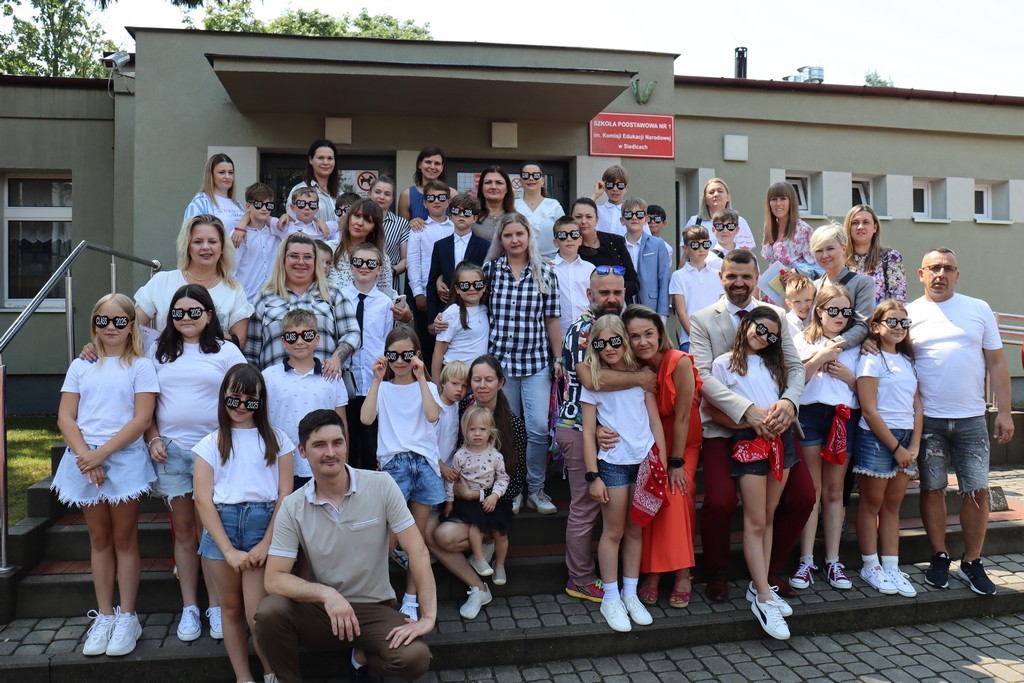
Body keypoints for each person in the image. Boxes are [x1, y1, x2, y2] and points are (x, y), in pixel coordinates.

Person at [256, 409, 434, 682]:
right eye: (319, 445)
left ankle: (364, 658)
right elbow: (274, 579)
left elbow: (417, 551)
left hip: (375, 608)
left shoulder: (381, 484)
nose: (330, 452)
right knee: (269, 613)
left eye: (337, 442)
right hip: (323, 613)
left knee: (415, 658)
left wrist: (428, 617)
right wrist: (326, 594)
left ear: (346, 445)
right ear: (302, 451)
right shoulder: (292, 506)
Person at [688, 249, 813, 603]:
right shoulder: (702, 319)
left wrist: (788, 402)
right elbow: (702, 375)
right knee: (720, 501)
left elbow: (794, 367)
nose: (739, 283)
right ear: (721, 277)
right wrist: (746, 412)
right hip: (724, 427)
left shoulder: (776, 315)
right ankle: (718, 571)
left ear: (757, 279)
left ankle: (769, 570)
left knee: (804, 496)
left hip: (775, 427)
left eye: (746, 277)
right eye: (732, 276)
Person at [53, 294, 158, 657]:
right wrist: (87, 456)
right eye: (103, 320)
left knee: (124, 537)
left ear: (131, 326)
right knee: (98, 538)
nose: (110, 327)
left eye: (119, 321)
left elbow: (142, 419)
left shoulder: (141, 366)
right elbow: (66, 416)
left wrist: (102, 454)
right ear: (94, 324)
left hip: (124, 458)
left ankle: (127, 615)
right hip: (85, 459)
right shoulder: (81, 365)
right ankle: (105, 615)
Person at [907, 248, 1014, 596]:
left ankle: (972, 561)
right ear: (921, 274)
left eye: (948, 268)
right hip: (929, 421)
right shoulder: (909, 313)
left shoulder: (978, 309)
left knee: (977, 490)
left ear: (957, 275)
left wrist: (1004, 412)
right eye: (934, 268)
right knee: (932, 489)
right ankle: (939, 556)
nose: (940, 274)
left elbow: (997, 362)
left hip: (971, 418)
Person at [144, 285, 245, 643]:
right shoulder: (157, 351)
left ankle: (215, 606)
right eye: (178, 312)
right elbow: (146, 401)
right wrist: (153, 437)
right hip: (170, 452)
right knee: (185, 531)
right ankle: (190, 606)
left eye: (194, 311)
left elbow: (244, 398)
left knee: (210, 533)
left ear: (209, 314)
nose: (186, 318)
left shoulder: (226, 350)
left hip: (213, 453)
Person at [194, 364, 293, 683]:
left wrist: (267, 542)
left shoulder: (278, 440)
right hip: (221, 528)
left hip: (263, 526)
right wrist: (227, 550)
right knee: (231, 609)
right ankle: (243, 677)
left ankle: (270, 672)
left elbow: (286, 495)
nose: (241, 406)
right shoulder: (210, 443)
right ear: (223, 397)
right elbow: (202, 500)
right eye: (234, 399)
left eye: (250, 400)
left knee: (257, 613)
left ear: (261, 402)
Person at [709, 307, 797, 640]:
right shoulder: (723, 364)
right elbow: (714, 413)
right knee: (755, 520)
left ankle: (761, 587)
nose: (765, 337)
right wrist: (750, 422)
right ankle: (763, 597)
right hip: (750, 444)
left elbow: (790, 397)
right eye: (761, 329)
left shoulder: (776, 364)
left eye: (772, 334)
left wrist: (780, 420)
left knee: (769, 516)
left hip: (782, 442)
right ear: (747, 324)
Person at [557, 267, 644, 603]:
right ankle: (580, 578)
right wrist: (642, 379)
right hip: (579, 428)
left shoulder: (624, 325)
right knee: (585, 508)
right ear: (589, 294)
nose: (611, 299)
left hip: (609, 434)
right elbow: (592, 380)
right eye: (604, 293)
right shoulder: (583, 329)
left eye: (617, 292)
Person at [581, 314, 667, 632]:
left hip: (643, 462)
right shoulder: (594, 381)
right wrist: (593, 476)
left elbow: (655, 421)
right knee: (613, 532)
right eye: (601, 344)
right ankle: (611, 596)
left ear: (624, 341)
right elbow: (587, 432)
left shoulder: (641, 377)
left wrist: (661, 462)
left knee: (635, 531)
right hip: (613, 464)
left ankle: (630, 593)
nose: (609, 348)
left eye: (615, 341)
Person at [426, 355, 526, 619]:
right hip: (456, 496)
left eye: (489, 380)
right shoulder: (461, 409)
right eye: (477, 379)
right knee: (425, 531)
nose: (482, 385)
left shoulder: (512, 424)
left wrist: (478, 494)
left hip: (491, 503)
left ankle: (483, 560)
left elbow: (516, 481)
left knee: (442, 537)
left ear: (501, 383)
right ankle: (479, 582)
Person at [621, 305, 702, 610]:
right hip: (651, 444)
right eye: (634, 336)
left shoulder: (678, 361)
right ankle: (654, 571)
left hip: (683, 445)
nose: (643, 342)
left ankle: (681, 573)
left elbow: (682, 417)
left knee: (674, 492)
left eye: (648, 334)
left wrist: (676, 463)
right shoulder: (630, 369)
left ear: (659, 334)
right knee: (650, 492)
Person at [360, 327, 443, 622]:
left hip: (424, 465)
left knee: (416, 541)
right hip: (394, 466)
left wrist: (420, 377)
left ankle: (410, 599)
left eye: (406, 355)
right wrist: (376, 379)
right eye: (393, 355)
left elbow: (432, 415)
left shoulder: (427, 387)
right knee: (388, 540)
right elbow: (366, 418)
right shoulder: (382, 388)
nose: (399, 361)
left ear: (416, 355)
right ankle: (376, 597)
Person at [481, 213, 562, 514]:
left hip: (536, 362)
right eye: (508, 235)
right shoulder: (490, 271)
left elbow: (552, 320)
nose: (514, 240)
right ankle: (512, 489)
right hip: (501, 364)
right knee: (508, 429)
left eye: (520, 234)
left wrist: (558, 358)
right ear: (500, 240)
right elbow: (477, 312)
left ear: (529, 236)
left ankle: (536, 489)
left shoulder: (546, 272)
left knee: (538, 428)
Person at [790, 284, 861, 592]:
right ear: (819, 311)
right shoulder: (802, 340)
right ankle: (806, 560)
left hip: (842, 417)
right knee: (813, 490)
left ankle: (833, 560)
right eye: (833, 310)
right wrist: (819, 358)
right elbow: (794, 382)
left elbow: (867, 390)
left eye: (846, 311)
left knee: (835, 491)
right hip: (809, 416)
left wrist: (849, 377)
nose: (839, 316)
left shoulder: (857, 345)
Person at [855, 300, 921, 598]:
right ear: (876, 326)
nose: (898, 328)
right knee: (872, 503)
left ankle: (892, 565)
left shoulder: (907, 360)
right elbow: (869, 410)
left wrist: (913, 444)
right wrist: (896, 448)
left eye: (904, 323)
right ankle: (871, 565)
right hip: (877, 438)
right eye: (892, 322)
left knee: (893, 505)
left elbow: (917, 406)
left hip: (906, 440)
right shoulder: (871, 359)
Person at [245, 233, 361, 377]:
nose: (301, 262)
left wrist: (336, 359)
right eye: (294, 256)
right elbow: (251, 352)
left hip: (324, 382)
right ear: (283, 259)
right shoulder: (264, 297)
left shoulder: (333, 293)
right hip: (275, 386)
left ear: (315, 260)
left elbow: (352, 333)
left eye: (307, 257)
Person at [263, 308, 349, 490]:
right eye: (292, 337)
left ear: (317, 339)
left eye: (307, 335)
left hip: (323, 465)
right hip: (280, 467)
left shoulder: (332, 376)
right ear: (283, 341)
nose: (300, 341)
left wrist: (343, 467)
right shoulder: (268, 376)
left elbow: (342, 424)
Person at [135, 214, 253, 348]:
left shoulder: (234, 289)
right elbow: (133, 326)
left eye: (212, 241)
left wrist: (197, 335)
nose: (205, 247)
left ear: (222, 248)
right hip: (167, 358)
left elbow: (239, 341)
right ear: (187, 246)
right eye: (198, 242)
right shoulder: (161, 281)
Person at [342, 243, 400, 471]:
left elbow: (385, 340)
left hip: (372, 381)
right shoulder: (340, 298)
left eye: (370, 263)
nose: (364, 267)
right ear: (351, 266)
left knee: (370, 444)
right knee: (348, 441)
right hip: (344, 381)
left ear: (379, 269)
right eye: (358, 262)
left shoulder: (385, 304)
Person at [444, 406, 511, 580]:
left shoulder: (495, 456)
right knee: (476, 526)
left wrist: (495, 495)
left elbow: (503, 478)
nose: (477, 434)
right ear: (464, 431)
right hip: (470, 502)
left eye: (482, 429)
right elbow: (452, 480)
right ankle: (478, 558)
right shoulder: (460, 455)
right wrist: (449, 501)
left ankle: (500, 565)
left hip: (491, 499)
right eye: (472, 429)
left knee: (501, 533)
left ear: (490, 431)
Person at [426, 193, 490, 323]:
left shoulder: (484, 246)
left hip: (475, 309)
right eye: (457, 211)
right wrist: (431, 319)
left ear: (474, 218)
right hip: (445, 307)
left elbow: (487, 280)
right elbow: (432, 282)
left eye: (467, 212)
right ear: (451, 216)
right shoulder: (440, 246)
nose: (461, 215)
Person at [810, 222, 875, 348]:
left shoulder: (862, 283)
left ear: (844, 248)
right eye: (819, 250)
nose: (825, 255)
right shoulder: (814, 286)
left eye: (830, 249)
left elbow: (863, 325)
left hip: (848, 353)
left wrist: (834, 344)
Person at [572, 197, 641, 301]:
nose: (583, 221)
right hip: (581, 307)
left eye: (589, 217)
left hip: (615, 305)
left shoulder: (615, 242)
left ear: (597, 220)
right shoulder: (568, 247)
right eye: (578, 217)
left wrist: (612, 290)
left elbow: (634, 283)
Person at [670, 224, 724, 353]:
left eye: (706, 244)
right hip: (689, 340)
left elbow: (722, 308)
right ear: (685, 248)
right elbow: (681, 312)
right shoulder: (679, 276)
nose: (701, 249)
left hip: (716, 338)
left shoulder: (718, 275)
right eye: (695, 245)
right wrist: (696, 337)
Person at [432, 261, 489, 381]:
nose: (472, 289)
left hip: (477, 377)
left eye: (477, 284)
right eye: (465, 285)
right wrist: (436, 385)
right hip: (454, 376)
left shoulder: (485, 310)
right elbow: (438, 352)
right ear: (457, 289)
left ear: (484, 287)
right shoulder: (452, 313)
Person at [327, 198, 395, 292]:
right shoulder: (329, 249)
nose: (359, 223)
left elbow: (386, 293)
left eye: (368, 220)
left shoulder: (381, 258)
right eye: (357, 216)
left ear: (374, 228)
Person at [844, 204, 906, 304]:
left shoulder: (890, 257)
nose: (860, 227)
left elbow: (898, 301)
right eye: (855, 223)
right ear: (848, 227)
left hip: (879, 314)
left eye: (866, 222)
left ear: (875, 227)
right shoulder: (839, 258)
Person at [231, 182, 283, 301]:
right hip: (246, 299)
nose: (264, 209)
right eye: (259, 204)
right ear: (248, 206)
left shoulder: (276, 231)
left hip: (273, 299)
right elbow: (231, 272)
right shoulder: (237, 235)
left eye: (269, 205)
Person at [621, 198, 670, 319]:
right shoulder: (618, 245)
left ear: (646, 219)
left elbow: (664, 279)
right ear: (622, 220)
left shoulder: (657, 244)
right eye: (629, 214)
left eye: (639, 214)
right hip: (624, 305)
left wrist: (662, 314)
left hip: (650, 306)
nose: (634, 217)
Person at [550, 216, 595, 340]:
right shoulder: (548, 269)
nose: (569, 239)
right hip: (558, 335)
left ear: (580, 240)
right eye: (563, 235)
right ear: (555, 242)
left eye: (574, 234)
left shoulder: (590, 269)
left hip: (587, 333)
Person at [760, 182, 817, 278]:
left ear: (791, 202)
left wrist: (796, 272)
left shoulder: (803, 230)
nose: (778, 203)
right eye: (774, 199)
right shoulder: (769, 227)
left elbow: (815, 265)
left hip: (796, 284)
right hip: (773, 284)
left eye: (783, 199)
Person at [684, 178, 756, 250]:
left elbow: (745, 252)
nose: (716, 194)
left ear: (728, 197)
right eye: (711, 192)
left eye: (720, 191)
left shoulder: (740, 221)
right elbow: (687, 252)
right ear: (705, 199)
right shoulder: (695, 221)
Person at [514, 161, 565, 260]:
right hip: (520, 261)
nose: (531, 178)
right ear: (520, 181)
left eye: (536, 175)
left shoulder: (554, 205)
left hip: (552, 261)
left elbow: (564, 233)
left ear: (542, 181)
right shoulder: (513, 206)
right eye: (526, 175)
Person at [369, 174, 411, 290]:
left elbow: (406, 259)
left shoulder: (401, 224)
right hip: (359, 280)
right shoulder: (359, 221)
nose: (381, 197)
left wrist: (390, 272)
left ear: (392, 199)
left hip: (389, 285)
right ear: (369, 194)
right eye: (377, 192)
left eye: (387, 194)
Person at [184, 152, 245, 230]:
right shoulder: (200, 203)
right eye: (222, 172)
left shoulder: (238, 204)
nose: (227, 176)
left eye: (230, 172)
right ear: (211, 175)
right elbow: (188, 234)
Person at [286, 139, 340, 225]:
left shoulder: (340, 194)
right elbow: (293, 224)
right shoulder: (299, 190)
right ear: (310, 160)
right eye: (321, 158)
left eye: (330, 158)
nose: (326, 162)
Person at [399, 146, 447, 230]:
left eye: (437, 163)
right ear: (419, 164)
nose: (432, 167)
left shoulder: (452, 194)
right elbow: (401, 230)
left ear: (442, 167)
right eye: (428, 162)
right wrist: (410, 223)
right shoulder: (407, 195)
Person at [475, 166, 515, 241]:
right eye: (488, 182)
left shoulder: (517, 219)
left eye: (499, 183)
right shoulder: (471, 218)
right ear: (481, 188)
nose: (493, 187)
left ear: (507, 189)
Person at [591, 165, 631, 236]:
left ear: (626, 188)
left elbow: (647, 237)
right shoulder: (597, 211)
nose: (615, 189)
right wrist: (596, 194)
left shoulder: (633, 214)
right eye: (610, 184)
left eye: (620, 185)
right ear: (604, 186)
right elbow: (581, 212)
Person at [783, 274, 815, 339]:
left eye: (808, 300)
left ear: (814, 300)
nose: (803, 306)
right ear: (789, 303)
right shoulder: (785, 324)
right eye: (797, 302)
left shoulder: (818, 319)